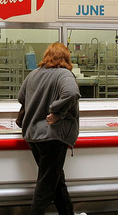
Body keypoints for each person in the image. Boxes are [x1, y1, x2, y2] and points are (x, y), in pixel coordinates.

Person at [18, 42, 81, 215]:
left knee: (56, 180)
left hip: (33, 135)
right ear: (66, 57)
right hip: (52, 136)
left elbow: (21, 97)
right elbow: (72, 93)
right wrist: (57, 113)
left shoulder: (34, 74)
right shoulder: (64, 74)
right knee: (46, 184)